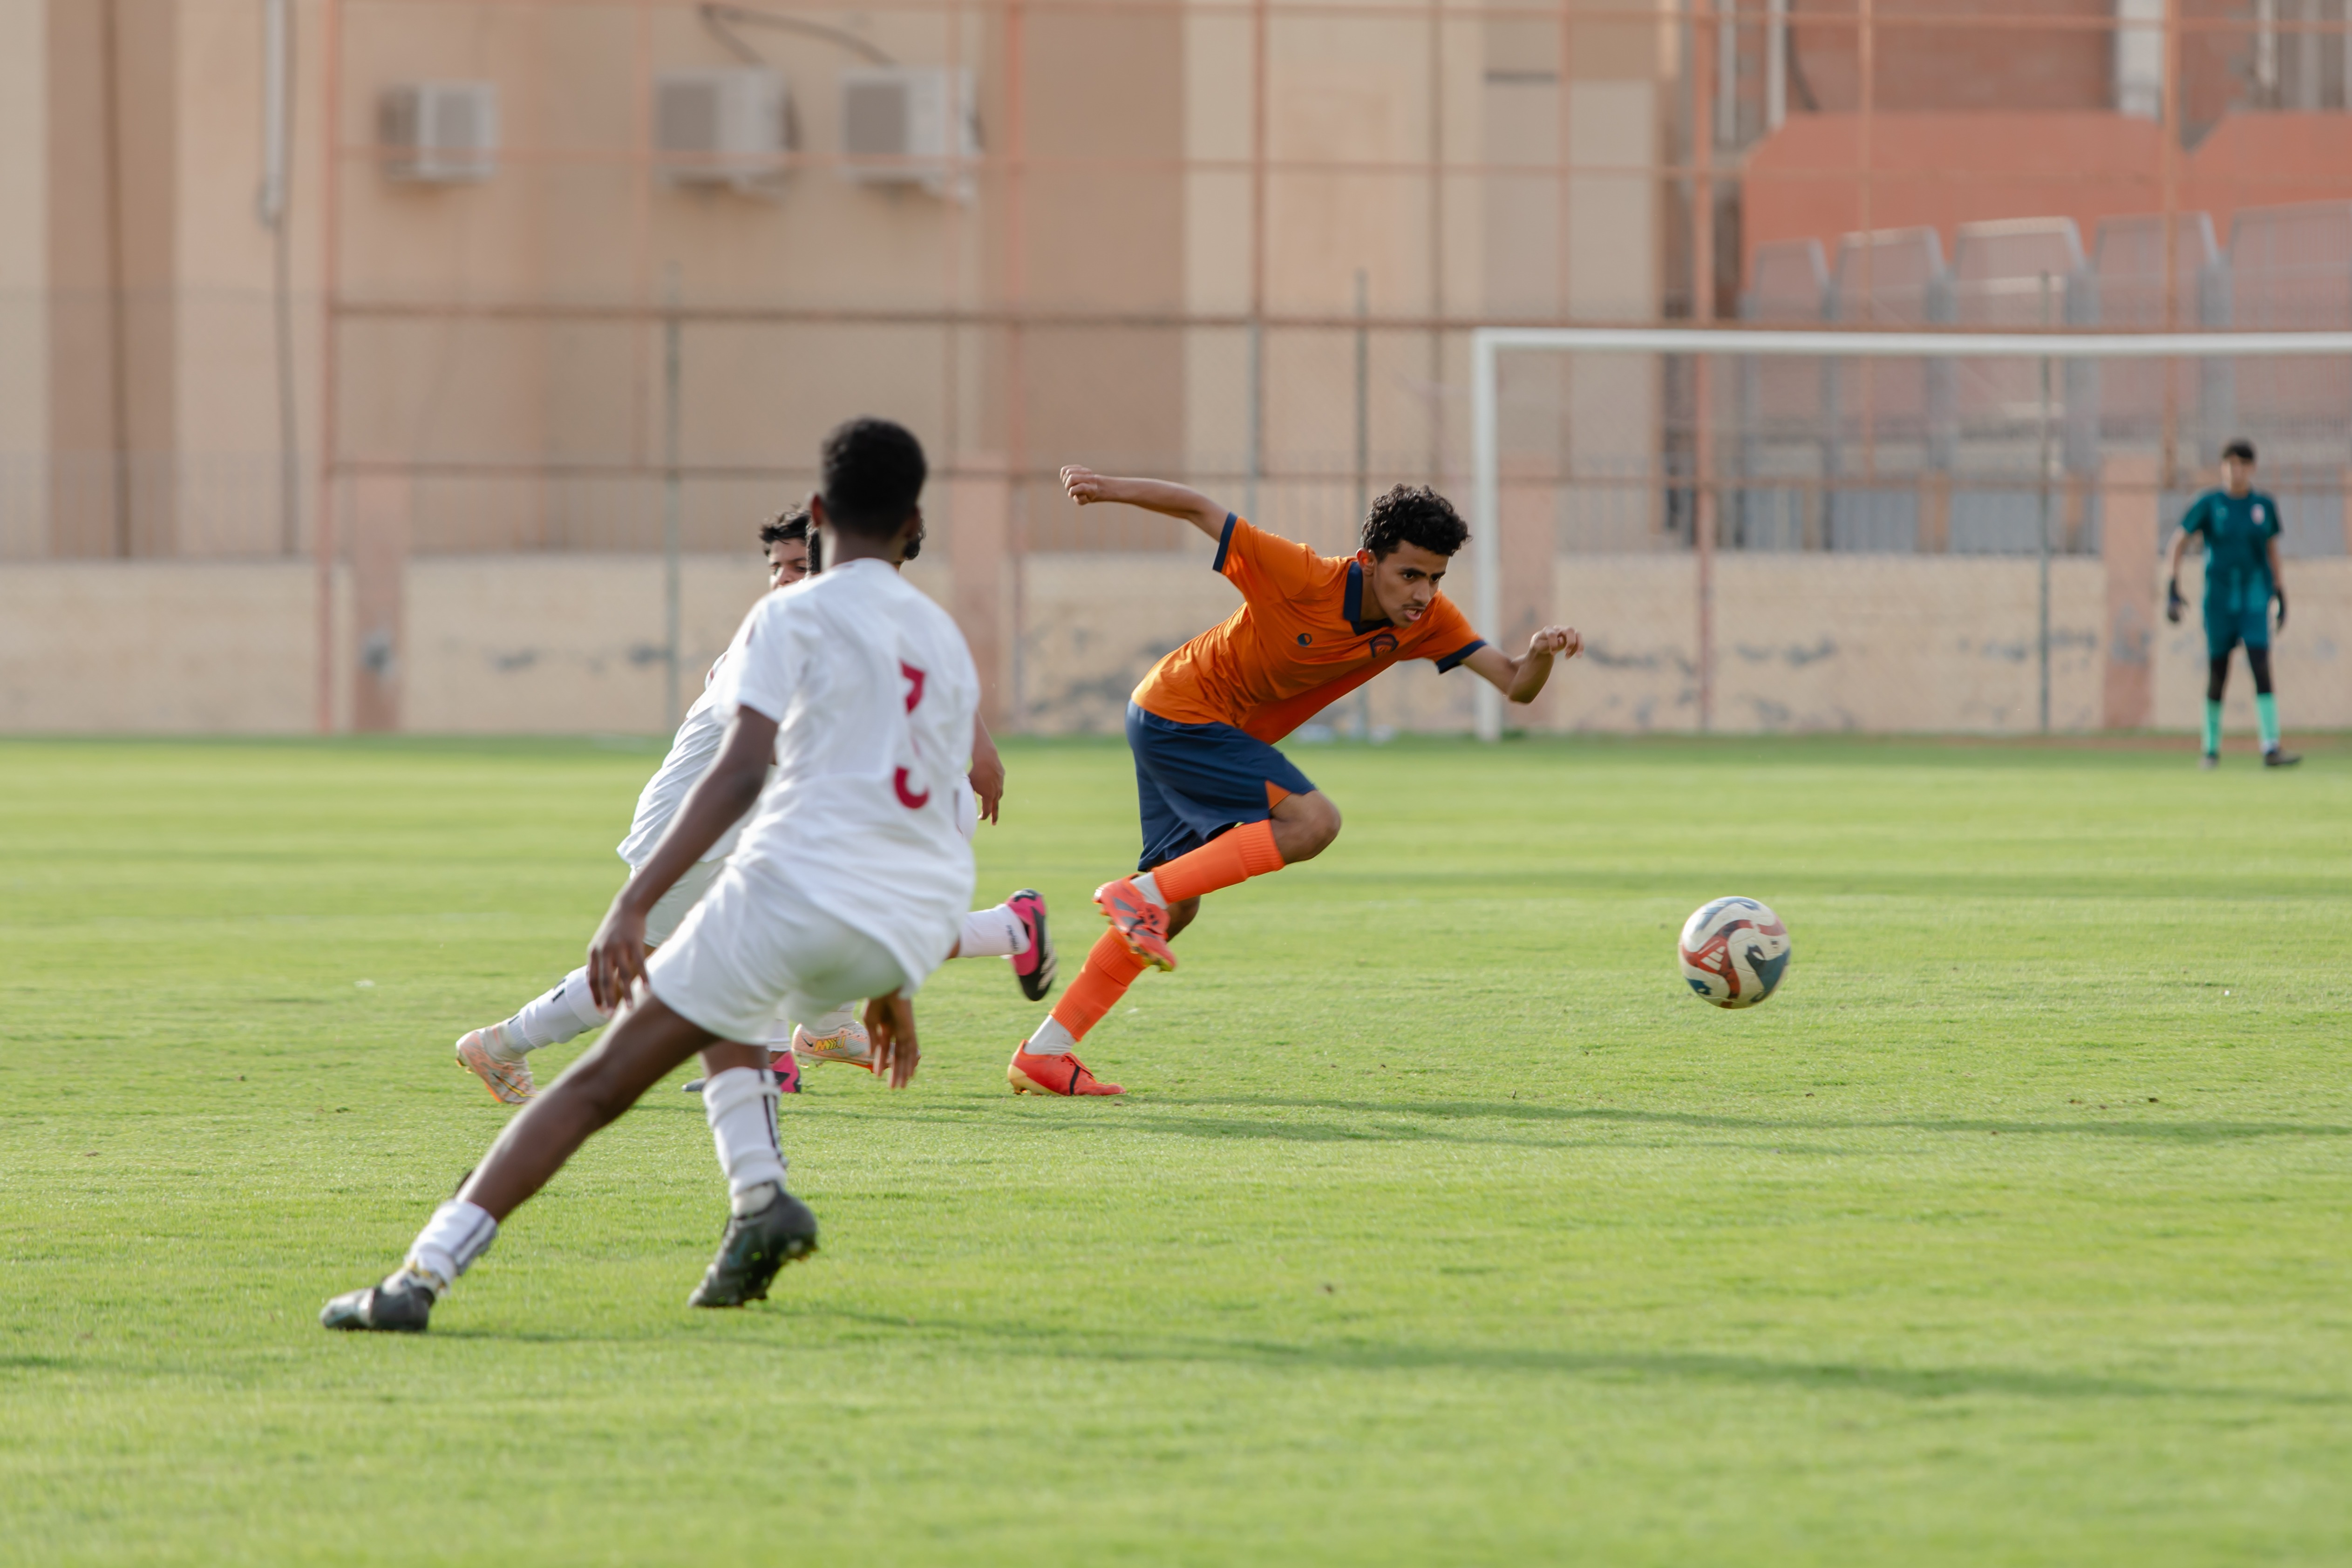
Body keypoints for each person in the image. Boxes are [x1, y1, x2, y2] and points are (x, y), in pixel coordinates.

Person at [325, 417, 979, 1331]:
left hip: (795, 899)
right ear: (914, 520)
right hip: (906, 912)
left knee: (595, 1087)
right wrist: (889, 975)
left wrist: (630, 902)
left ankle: (417, 1280)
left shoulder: (788, 614)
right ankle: (758, 1199)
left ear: (821, 512)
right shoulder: (943, 641)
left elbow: (742, 767)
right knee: (729, 995)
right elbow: (919, 811)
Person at [1000, 470, 1582, 1098]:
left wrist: (1542, 652)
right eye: (1409, 574)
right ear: (1369, 560)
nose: (1422, 592)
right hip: (1179, 710)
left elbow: (1515, 684)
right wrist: (1106, 488)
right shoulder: (1302, 575)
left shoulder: (1427, 619)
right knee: (1313, 821)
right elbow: (1200, 508)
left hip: (1187, 725)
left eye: (1435, 577)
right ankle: (1135, 891)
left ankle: (1045, 1051)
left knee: (1176, 909)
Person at [453, 509, 1054, 1106]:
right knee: (649, 970)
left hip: (740, 827)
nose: (790, 577)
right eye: (782, 567)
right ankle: (503, 1044)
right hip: (691, 825)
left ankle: (798, 1045)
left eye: (803, 565)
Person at [2168, 438, 2300, 769]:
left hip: (2255, 600)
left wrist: (2281, 591)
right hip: (2220, 601)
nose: (2235, 470)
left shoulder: (2263, 506)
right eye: (2230, 464)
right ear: (2222, 467)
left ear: (2251, 468)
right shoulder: (2209, 503)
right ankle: (2210, 750)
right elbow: (2179, 540)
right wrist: (2173, 584)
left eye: (2242, 464)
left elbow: (2272, 550)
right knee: (2218, 672)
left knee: (2261, 668)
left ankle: (2271, 747)